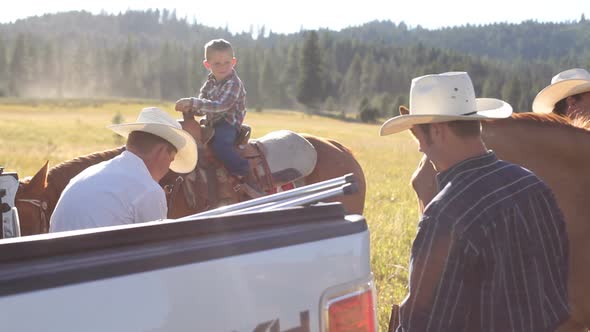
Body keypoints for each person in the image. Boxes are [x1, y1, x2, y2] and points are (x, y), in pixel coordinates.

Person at [380, 72, 570, 331]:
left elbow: (424, 325)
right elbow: (556, 293)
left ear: (436, 130)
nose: (420, 148)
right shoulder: (534, 186)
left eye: (418, 135)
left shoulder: (446, 215)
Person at [49, 107, 197, 232]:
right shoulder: (148, 190)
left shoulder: (85, 175)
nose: (167, 169)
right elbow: (155, 253)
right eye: (171, 160)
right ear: (161, 152)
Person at [175, 38, 250, 183]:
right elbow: (202, 108)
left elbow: (221, 106)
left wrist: (193, 102)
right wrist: (191, 109)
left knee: (220, 145)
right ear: (207, 64)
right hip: (211, 123)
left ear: (233, 62)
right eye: (217, 63)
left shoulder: (234, 83)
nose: (222, 67)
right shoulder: (209, 83)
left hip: (228, 123)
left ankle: (242, 169)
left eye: (227, 63)